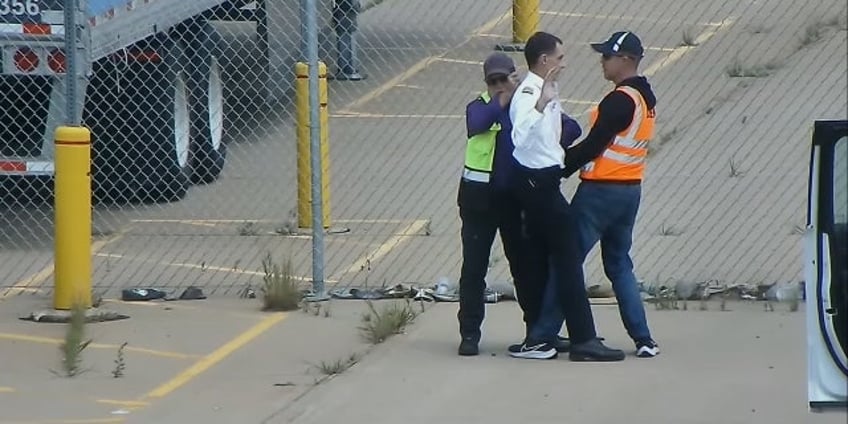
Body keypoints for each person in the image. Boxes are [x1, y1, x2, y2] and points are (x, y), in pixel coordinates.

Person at [533, 30, 661, 358]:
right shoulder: (644, 99)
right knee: (619, 264)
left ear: (627, 60)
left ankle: (542, 336)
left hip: (601, 192)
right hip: (629, 191)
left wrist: (556, 167)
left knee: (567, 261)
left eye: (607, 56)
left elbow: (593, 145)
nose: (601, 62)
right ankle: (644, 339)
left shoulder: (620, 100)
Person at [506, 31, 625, 361]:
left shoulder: (544, 88)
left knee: (550, 258)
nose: (564, 63)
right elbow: (521, 135)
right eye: (559, 57)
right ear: (544, 60)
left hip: (546, 180)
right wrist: (541, 104)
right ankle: (582, 339)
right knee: (569, 258)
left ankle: (543, 336)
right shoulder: (530, 92)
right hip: (536, 185)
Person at [457, 52, 526, 356]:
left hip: (513, 201)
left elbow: (568, 128)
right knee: (474, 270)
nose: (499, 86)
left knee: (524, 267)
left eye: (504, 79)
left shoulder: (524, 107)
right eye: (493, 81)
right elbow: (477, 124)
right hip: (478, 202)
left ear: (514, 75)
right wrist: (504, 98)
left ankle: (537, 329)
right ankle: (469, 334)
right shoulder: (480, 107)